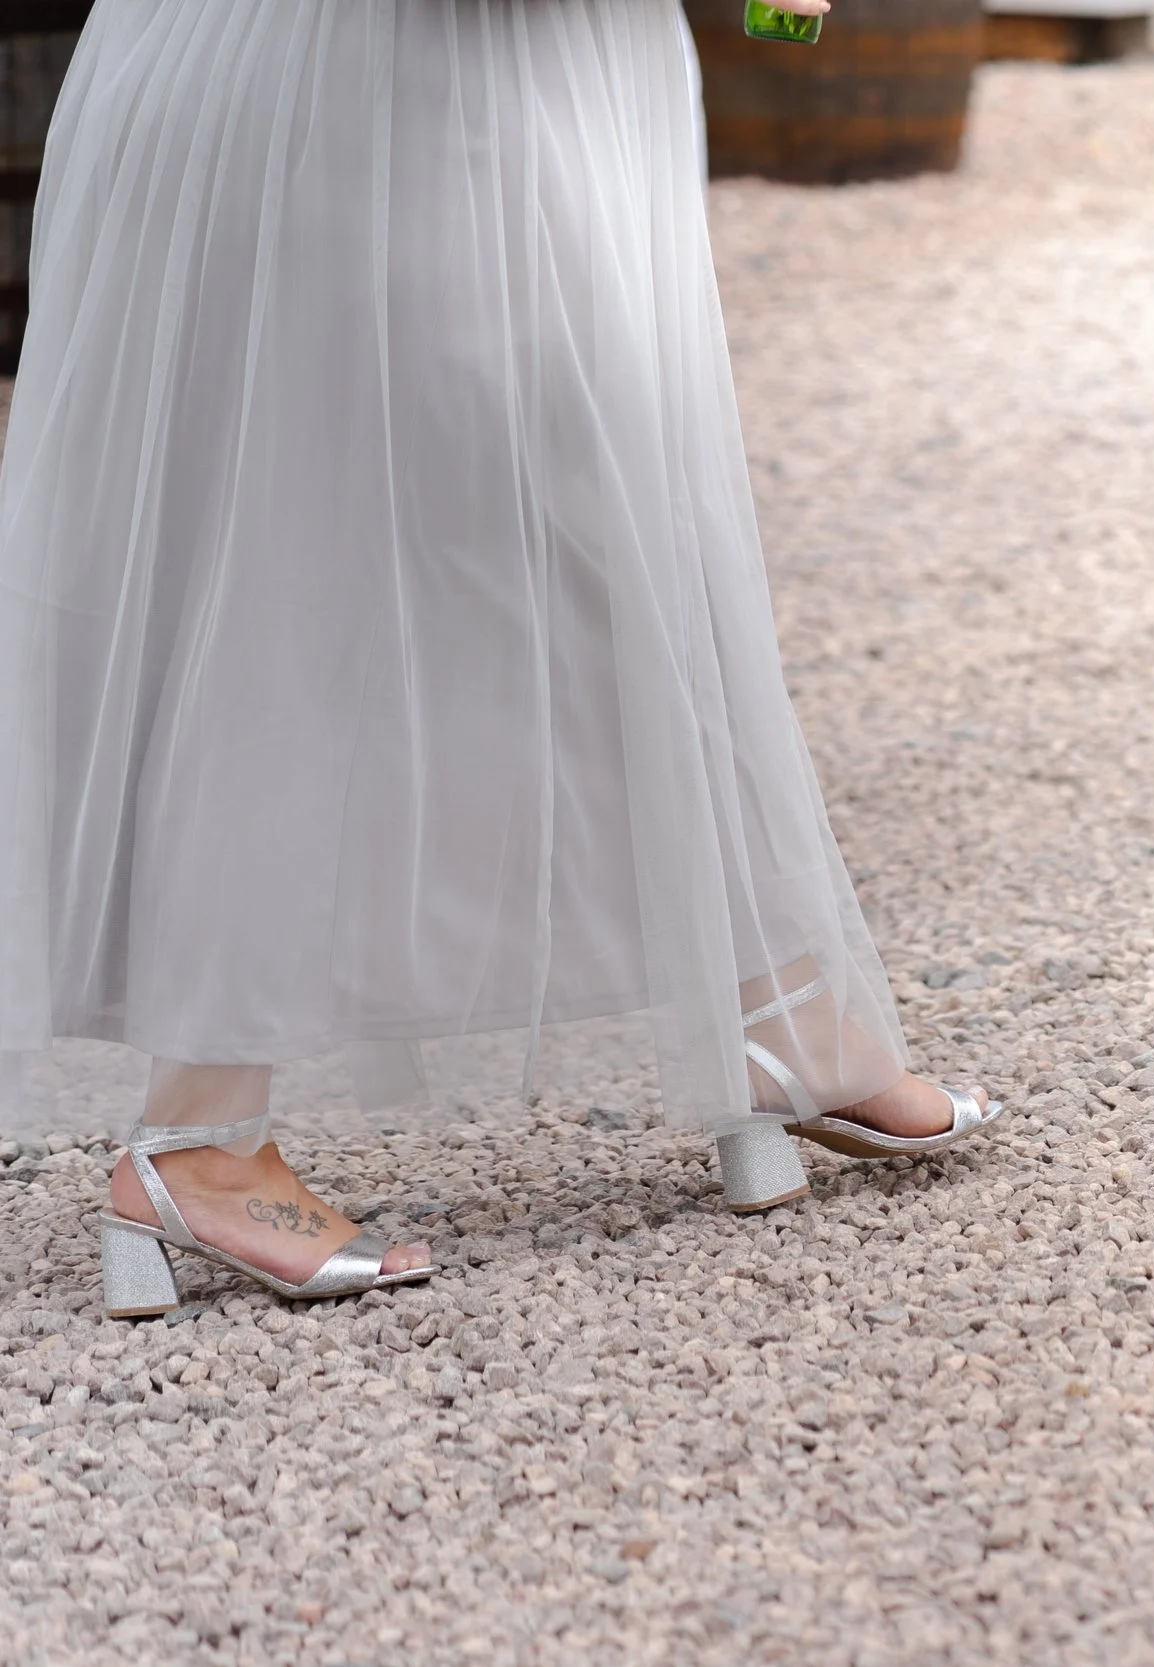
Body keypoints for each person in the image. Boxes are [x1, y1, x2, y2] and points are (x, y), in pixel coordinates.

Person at [0, 0, 999, 1318]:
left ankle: (774, 1006)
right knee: (320, 558)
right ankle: (198, 1128)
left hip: (503, 66)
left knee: (587, 519)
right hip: (380, 71)